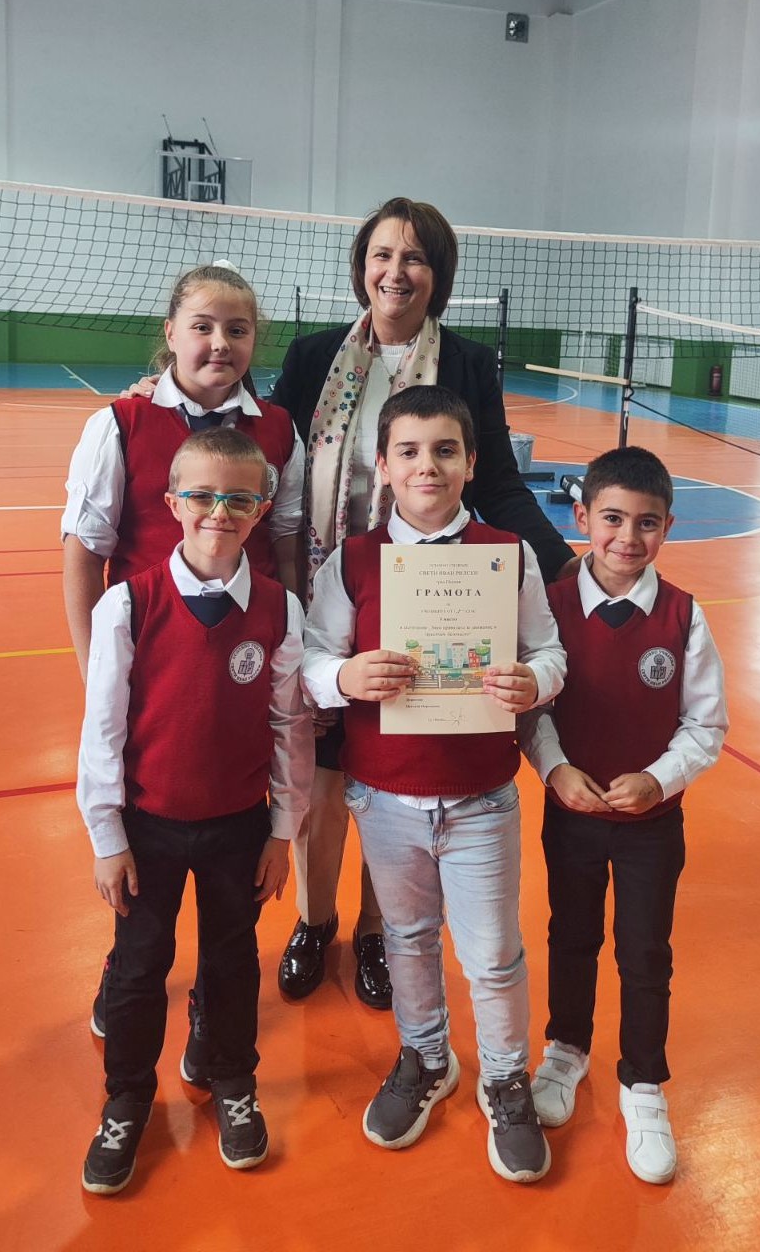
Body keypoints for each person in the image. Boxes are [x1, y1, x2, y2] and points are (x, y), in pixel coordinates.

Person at [271, 198, 577, 1009]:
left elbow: (499, 482)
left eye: (414, 257)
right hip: (333, 586)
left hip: (433, 594)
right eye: (382, 254)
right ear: (361, 266)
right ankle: (315, 921)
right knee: (324, 775)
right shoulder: (313, 357)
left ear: (437, 274)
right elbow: (265, 452)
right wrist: (162, 396)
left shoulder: (467, 363)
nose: (395, 271)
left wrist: (563, 567)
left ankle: (376, 931)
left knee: (393, 772)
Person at [302, 386, 567, 1183]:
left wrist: (534, 681)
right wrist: (344, 675)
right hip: (385, 800)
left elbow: (550, 651)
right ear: (382, 466)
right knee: (408, 940)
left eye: (446, 450)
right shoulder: (353, 561)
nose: (428, 466)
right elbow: (312, 659)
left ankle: (506, 1078)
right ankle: (425, 1056)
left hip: (481, 797)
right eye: (410, 451)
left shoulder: (506, 555)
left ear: (472, 462)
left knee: (492, 955)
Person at [63, 263, 304, 1062]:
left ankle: (212, 1003)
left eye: (237, 329)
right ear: (170, 333)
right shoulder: (122, 423)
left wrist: (295, 651)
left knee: (230, 853)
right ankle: (127, 968)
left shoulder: (279, 431)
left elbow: (287, 549)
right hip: (152, 665)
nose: (219, 342)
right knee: (146, 842)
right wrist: (96, 671)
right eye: (202, 326)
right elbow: (83, 553)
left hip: (240, 666)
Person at [77, 428, 314, 1194]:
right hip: (147, 829)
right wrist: (107, 836)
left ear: (262, 508)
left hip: (238, 827)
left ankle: (232, 1077)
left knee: (232, 961)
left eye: (239, 499)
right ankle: (127, 1099)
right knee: (140, 966)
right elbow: (103, 730)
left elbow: (289, 726)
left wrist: (283, 830)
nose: (220, 511)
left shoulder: (279, 609)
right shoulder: (128, 604)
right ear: (173, 502)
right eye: (203, 495)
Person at [525, 446, 727, 1185]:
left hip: (651, 823)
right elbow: (533, 710)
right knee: (571, 934)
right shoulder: (548, 606)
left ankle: (643, 1081)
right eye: (612, 519)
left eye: (647, 523)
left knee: (644, 951)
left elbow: (705, 725)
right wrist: (556, 770)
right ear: (581, 516)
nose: (627, 538)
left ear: (668, 527)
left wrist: (658, 780)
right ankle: (566, 1049)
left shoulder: (683, 615)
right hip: (572, 813)